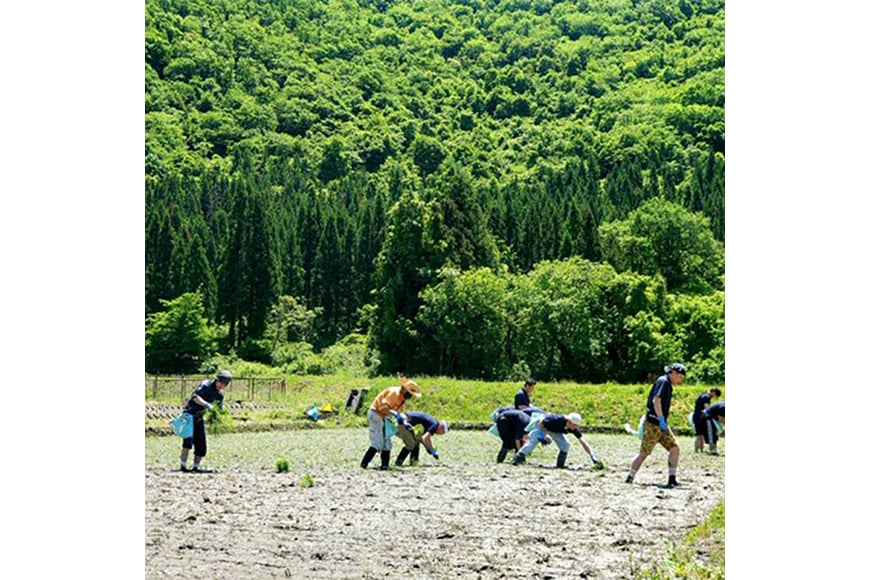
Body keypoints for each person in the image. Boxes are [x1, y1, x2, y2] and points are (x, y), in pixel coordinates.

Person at [625, 363, 686, 488]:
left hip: (661, 424)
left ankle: (672, 479)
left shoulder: (668, 384)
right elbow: (656, 400)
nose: (680, 380)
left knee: (674, 448)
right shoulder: (663, 381)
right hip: (653, 423)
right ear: (673, 373)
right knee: (644, 452)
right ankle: (630, 477)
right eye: (680, 377)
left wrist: (663, 422)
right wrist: (661, 419)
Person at [360, 375, 422, 470]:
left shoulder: (402, 399)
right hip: (376, 414)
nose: (410, 397)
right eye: (409, 394)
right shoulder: (394, 393)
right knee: (377, 444)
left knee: (387, 444)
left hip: (384, 417)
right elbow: (383, 408)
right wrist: (394, 414)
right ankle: (363, 465)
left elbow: (397, 412)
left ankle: (385, 466)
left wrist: (404, 421)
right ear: (404, 389)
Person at [179, 370, 232, 473]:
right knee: (188, 441)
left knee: (201, 443)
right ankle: (183, 466)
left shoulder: (219, 395)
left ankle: (196, 467)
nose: (222, 385)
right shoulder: (205, 385)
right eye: (221, 382)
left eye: (225, 384)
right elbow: (195, 397)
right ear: (217, 380)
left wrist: (220, 415)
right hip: (189, 414)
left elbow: (219, 407)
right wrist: (207, 405)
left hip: (199, 417)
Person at [512, 412, 603, 469]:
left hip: (555, 431)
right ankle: (517, 459)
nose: (576, 428)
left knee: (565, 444)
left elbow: (583, 441)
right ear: (569, 421)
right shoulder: (556, 419)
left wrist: (592, 456)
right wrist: (541, 435)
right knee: (531, 444)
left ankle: (560, 465)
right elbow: (542, 422)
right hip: (542, 426)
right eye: (575, 425)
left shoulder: (573, 428)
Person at [692, 387, 722, 452]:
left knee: (700, 434)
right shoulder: (707, 397)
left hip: (696, 416)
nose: (714, 397)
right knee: (701, 434)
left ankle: (698, 450)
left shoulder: (703, 394)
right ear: (713, 392)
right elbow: (707, 408)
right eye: (715, 395)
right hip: (700, 417)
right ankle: (699, 450)